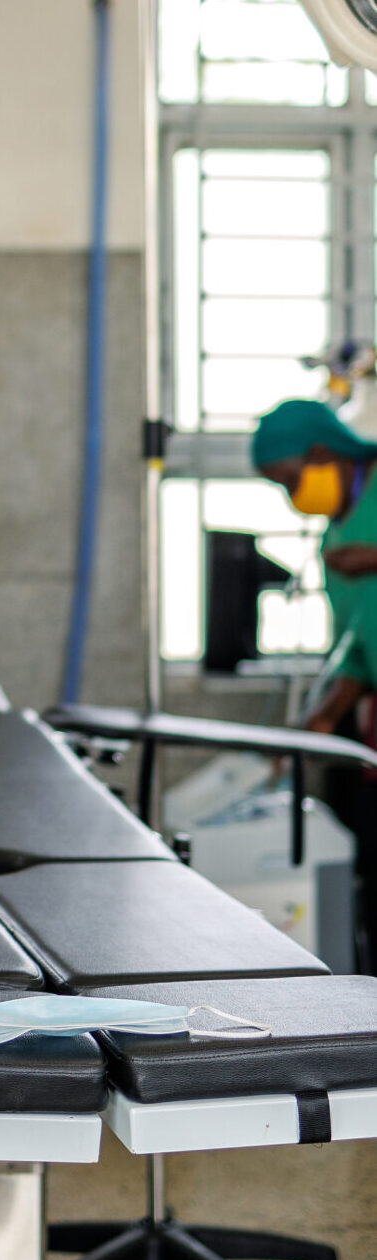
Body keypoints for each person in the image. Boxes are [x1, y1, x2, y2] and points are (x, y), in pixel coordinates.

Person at [252, 397, 377, 965]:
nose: (291, 494)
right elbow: (358, 644)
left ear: (323, 454)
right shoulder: (334, 538)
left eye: (288, 479)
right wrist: (326, 713)